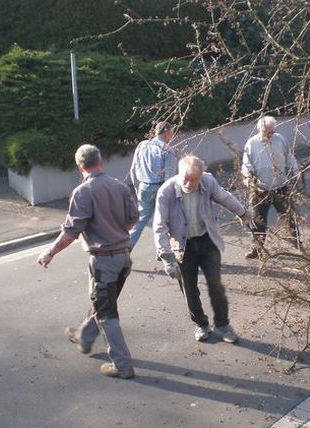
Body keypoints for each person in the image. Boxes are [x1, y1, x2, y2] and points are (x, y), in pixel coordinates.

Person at [37, 144, 139, 379]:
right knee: (103, 303)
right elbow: (134, 218)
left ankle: (122, 365)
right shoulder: (120, 186)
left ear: (79, 166)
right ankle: (84, 336)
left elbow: (71, 232)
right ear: (100, 161)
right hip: (124, 258)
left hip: (104, 261)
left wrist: (50, 252)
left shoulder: (83, 193)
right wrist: (116, 232)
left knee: (107, 314)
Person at [153, 155, 252, 343]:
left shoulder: (208, 181)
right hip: (183, 246)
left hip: (207, 241)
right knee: (189, 289)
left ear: (201, 177)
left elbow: (224, 197)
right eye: (185, 179)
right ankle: (200, 324)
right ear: (179, 173)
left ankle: (223, 324)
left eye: (194, 180)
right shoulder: (166, 191)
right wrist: (167, 258)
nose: (189, 183)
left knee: (216, 285)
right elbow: (159, 226)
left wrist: (243, 213)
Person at [241, 115, 302, 259]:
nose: (270, 134)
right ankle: (257, 248)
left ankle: (299, 245)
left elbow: (289, 157)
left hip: (280, 186)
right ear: (259, 130)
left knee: (289, 217)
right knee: (258, 221)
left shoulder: (280, 139)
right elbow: (246, 165)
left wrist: (295, 170)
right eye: (266, 132)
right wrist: (248, 179)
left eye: (272, 131)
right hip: (260, 189)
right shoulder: (251, 143)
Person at [128, 121, 178, 249]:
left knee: (140, 220)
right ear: (166, 132)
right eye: (172, 132)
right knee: (162, 221)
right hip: (161, 188)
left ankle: (125, 248)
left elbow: (133, 169)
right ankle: (163, 250)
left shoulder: (142, 145)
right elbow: (169, 177)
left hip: (144, 187)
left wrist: (136, 186)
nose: (172, 135)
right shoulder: (168, 150)